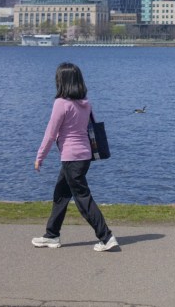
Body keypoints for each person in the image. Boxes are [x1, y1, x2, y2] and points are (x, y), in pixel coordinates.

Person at [32, 61, 118, 252]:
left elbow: (50, 133)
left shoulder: (60, 104)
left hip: (71, 158)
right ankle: (52, 235)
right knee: (61, 194)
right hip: (84, 157)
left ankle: (106, 237)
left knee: (82, 198)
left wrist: (40, 157)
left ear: (62, 81)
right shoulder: (85, 104)